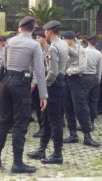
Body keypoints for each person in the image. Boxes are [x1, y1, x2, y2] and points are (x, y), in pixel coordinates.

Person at [0, 16, 48, 174]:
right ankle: (17, 163)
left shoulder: (10, 41)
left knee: (3, 120)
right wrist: (43, 95)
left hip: (6, 82)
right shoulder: (34, 44)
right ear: (33, 29)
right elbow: (39, 71)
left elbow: (3, 64)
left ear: (20, 28)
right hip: (21, 84)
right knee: (20, 123)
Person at [27, 20, 67, 165]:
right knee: (46, 118)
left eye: (45, 31)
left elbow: (53, 72)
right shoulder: (63, 44)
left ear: (49, 32)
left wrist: (45, 85)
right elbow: (74, 56)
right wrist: (64, 70)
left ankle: (57, 154)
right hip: (59, 84)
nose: (44, 34)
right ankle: (42, 149)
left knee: (54, 121)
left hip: (53, 87)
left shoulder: (54, 47)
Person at [63, 31, 100, 147]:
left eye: (66, 39)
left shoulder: (81, 50)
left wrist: (68, 71)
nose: (64, 41)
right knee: (68, 107)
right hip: (66, 80)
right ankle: (72, 134)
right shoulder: (63, 50)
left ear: (72, 39)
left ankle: (87, 136)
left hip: (77, 80)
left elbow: (82, 67)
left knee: (81, 108)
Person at [84, 35, 102, 126]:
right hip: (94, 77)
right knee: (94, 100)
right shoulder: (99, 53)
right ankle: (92, 122)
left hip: (84, 77)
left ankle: (85, 122)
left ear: (88, 41)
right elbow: (99, 69)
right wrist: (98, 80)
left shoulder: (83, 51)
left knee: (84, 100)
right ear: (97, 43)